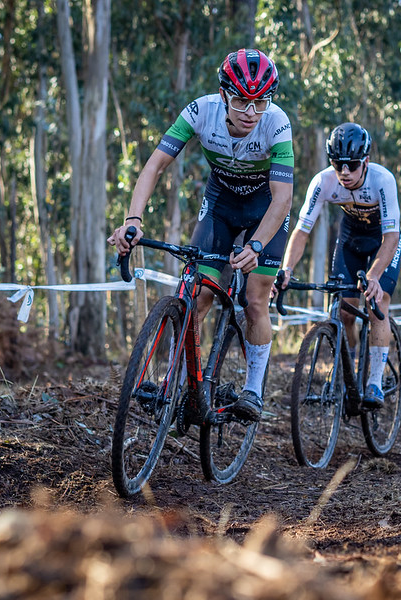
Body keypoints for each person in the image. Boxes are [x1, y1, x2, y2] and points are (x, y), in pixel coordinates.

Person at [108, 49, 294, 422]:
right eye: (241, 100)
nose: (250, 113)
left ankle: (253, 390)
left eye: (260, 103)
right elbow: (155, 166)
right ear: (224, 94)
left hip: (265, 211)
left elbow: (283, 197)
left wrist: (256, 244)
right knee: (198, 294)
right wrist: (133, 218)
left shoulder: (277, 123)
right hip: (221, 206)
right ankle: (181, 383)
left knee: (255, 301)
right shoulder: (199, 111)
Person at [278, 123, 401, 409]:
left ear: (366, 162)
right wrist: (287, 269)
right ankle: (349, 364)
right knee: (345, 311)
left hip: (383, 241)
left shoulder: (383, 180)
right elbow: (302, 231)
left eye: (352, 165)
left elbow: (392, 236)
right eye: (337, 164)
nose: (344, 172)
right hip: (350, 240)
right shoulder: (323, 182)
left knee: (377, 301)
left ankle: (373, 382)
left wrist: (373, 276)